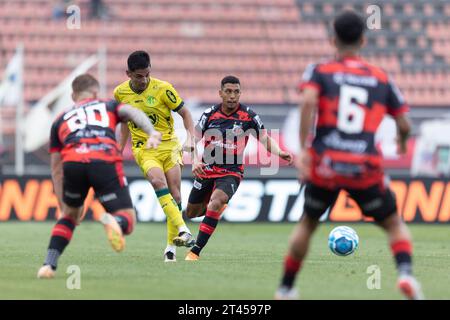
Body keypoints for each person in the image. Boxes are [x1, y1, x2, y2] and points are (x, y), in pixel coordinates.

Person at [275, 10, 424, 300]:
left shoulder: (319, 71)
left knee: (308, 223)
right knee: (393, 224)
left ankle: (286, 288)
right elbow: (405, 124)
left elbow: (307, 101)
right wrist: (403, 142)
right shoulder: (381, 78)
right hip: (363, 167)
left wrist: (305, 149)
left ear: (333, 40)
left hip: (326, 164)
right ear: (363, 40)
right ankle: (405, 275)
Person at [37, 74, 161, 278]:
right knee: (128, 219)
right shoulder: (107, 105)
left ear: (72, 95)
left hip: (73, 163)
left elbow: (56, 168)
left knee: (69, 217)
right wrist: (151, 132)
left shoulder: (60, 119)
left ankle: (48, 266)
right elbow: (131, 112)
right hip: (104, 160)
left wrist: (62, 204)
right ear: (95, 92)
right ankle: (115, 223)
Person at [184, 75, 293, 261]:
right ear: (220, 93)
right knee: (192, 213)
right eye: (228, 91)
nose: (232, 96)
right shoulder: (209, 114)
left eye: (236, 92)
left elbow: (265, 139)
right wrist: (194, 160)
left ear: (240, 93)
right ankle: (215, 209)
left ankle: (195, 251)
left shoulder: (249, 116)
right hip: (207, 169)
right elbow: (192, 139)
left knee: (216, 202)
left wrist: (279, 152)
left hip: (231, 171)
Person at [114, 50, 196, 262]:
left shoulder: (163, 89)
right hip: (144, 147)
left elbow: (185, 113)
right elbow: (124, 123)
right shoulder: (120, 93)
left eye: (147, 74)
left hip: (169, 146)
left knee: (176, 196)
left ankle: (170, 248)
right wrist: (118, 149)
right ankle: (184, 229)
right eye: (139, 76)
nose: (144, 80)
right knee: (158, 181)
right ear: (128, 74)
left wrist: (190, 139)